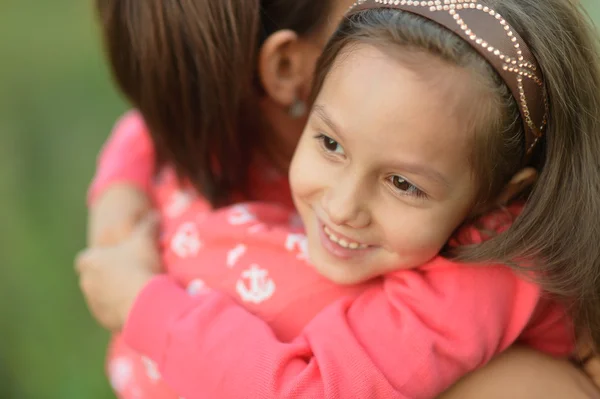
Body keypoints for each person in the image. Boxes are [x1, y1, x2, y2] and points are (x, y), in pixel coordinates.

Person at [78, 0, 600, 398]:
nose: (345, 205)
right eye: (329, 143)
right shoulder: (404, 125)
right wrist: (119, 191)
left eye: (403, 185)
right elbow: (145, 128)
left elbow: (307, 390)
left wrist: (142, 306)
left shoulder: (485, 276)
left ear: (500, 196)